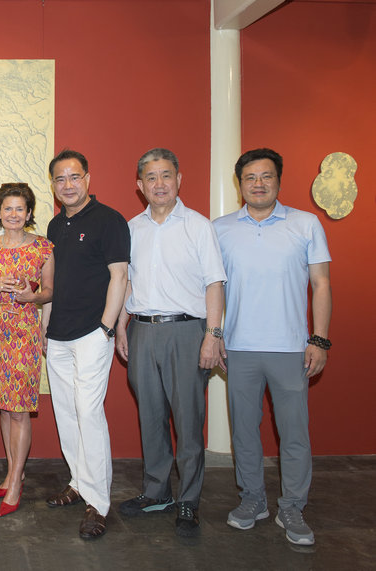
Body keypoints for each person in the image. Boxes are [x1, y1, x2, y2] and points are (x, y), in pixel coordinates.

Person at [214, 148, 332, 546]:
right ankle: (252, 500)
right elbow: (212, 288)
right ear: (239, 184)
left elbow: (321, 285)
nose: (258, 184)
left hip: (291, 348)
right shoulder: (221, 229)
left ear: (278, 180)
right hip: (239, 348)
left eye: (266, 176)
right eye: (250, 177)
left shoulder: (305, 224)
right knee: (244, 432)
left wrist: (319, 339)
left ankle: (293, 506)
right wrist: (216, 335)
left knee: (294, 434)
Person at [115, 148, 226, 538]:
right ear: (140, 185)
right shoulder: (132, 228)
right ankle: (157, 491)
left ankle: (189, 499)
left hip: (186, 332)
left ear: (179, 180)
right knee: (150, 417)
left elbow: (214, 283)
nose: (159, 184)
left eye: (166, 175)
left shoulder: (198, 226)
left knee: (188, 419)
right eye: (151, 177)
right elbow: (129, 282)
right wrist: (122, 326)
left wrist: (213, 335)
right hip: (143, 330)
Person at [41, 150, 130, 539]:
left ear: (88, 179)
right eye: (60, 179)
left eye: (74, 177)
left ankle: (98, 502)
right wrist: (44, 326)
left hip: (93, 333)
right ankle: (79, 482)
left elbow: (120, 276)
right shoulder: (54, 225)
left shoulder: (110, 220)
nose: (68, 185)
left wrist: (106, 328)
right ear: (53, 185)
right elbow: (50, 283)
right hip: (57, 334)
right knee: (66, 412)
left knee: (88, 413)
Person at [0, 183, 53, 517]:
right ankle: (10, 472)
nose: (14, 214)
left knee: (19, 410)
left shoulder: (43, 247)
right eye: (8, 208)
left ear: (29, 213)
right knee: (4, 409)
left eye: (20, 208)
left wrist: (32, 296)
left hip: (25, 333)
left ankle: (17, 480)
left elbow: (50, 291)